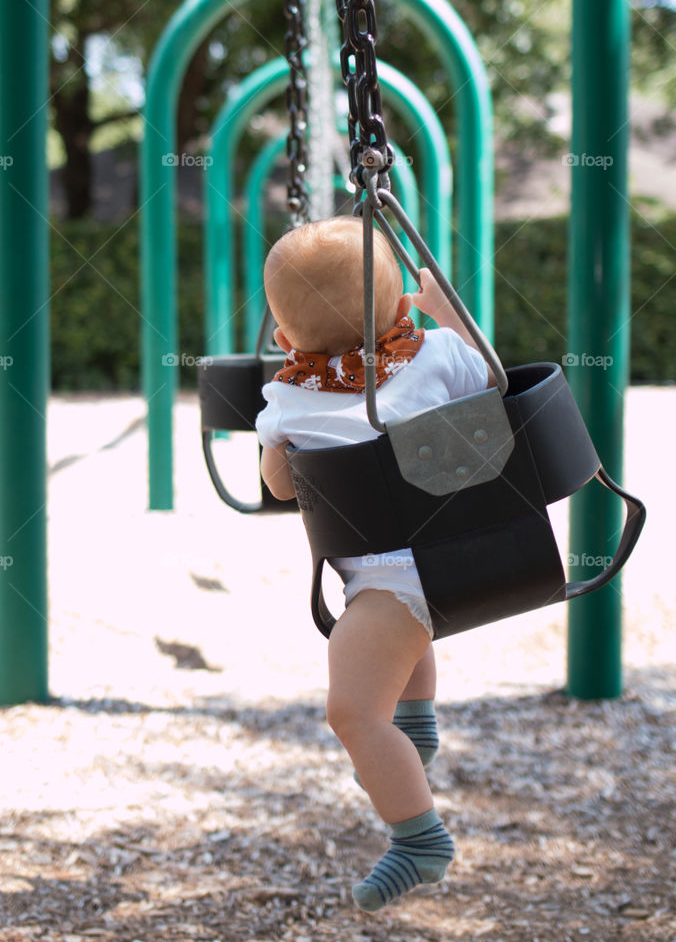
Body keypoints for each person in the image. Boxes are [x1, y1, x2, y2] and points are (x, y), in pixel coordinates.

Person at [255, 215, 494, 912]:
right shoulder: (441, 353)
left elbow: (277, 486)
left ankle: (419, 842)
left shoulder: (289, 399)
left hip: (393, 581)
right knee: (392, 643)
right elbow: (491, 384)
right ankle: (414, 734)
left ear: (282, 339)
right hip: (467, 552)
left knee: (352, 713)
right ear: (396, 310)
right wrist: (450, 317)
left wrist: (281, 441)